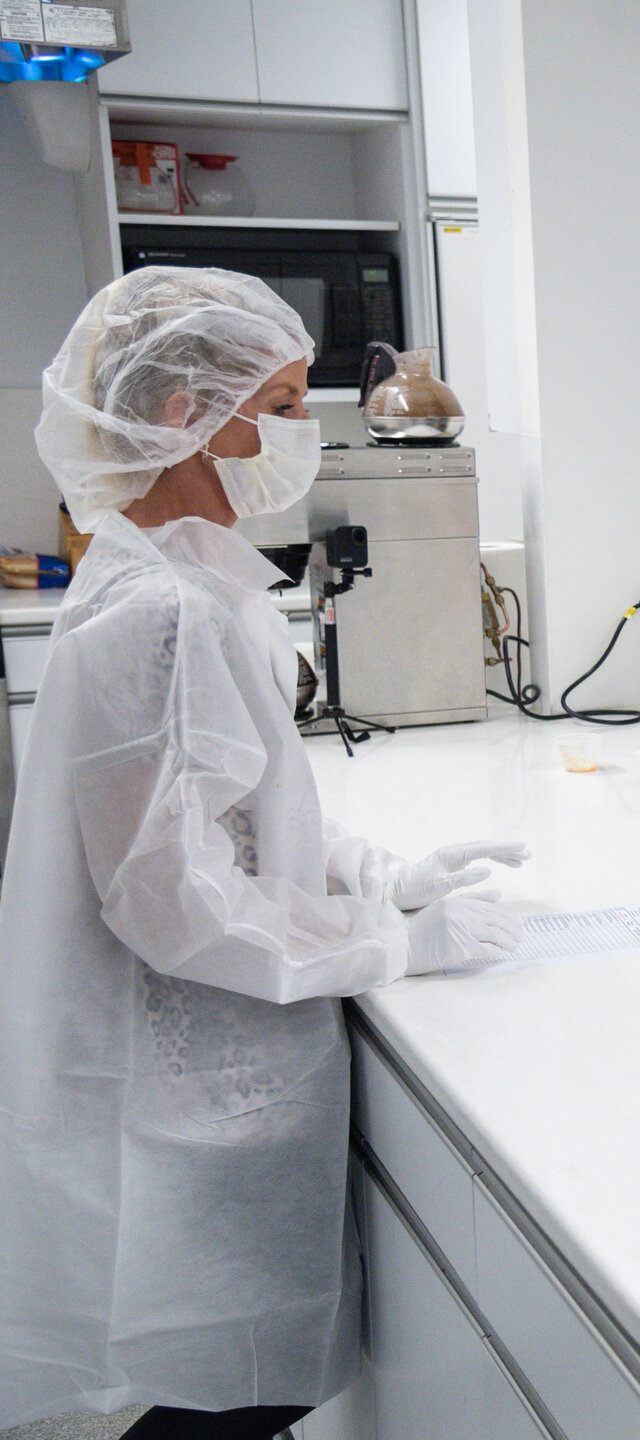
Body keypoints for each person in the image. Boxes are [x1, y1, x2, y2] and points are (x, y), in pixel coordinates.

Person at [0, 269, 528, 1439]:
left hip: (234, 1063)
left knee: (246, 1386)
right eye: (283, 402)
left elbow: (236, 811)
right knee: (225, 1395)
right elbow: (174, 903)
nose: (305, 432)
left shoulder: (196, 579)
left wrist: (375, 876)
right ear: (186, 415)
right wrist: (384, 944)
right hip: (206, 1086)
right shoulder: (158, 613)